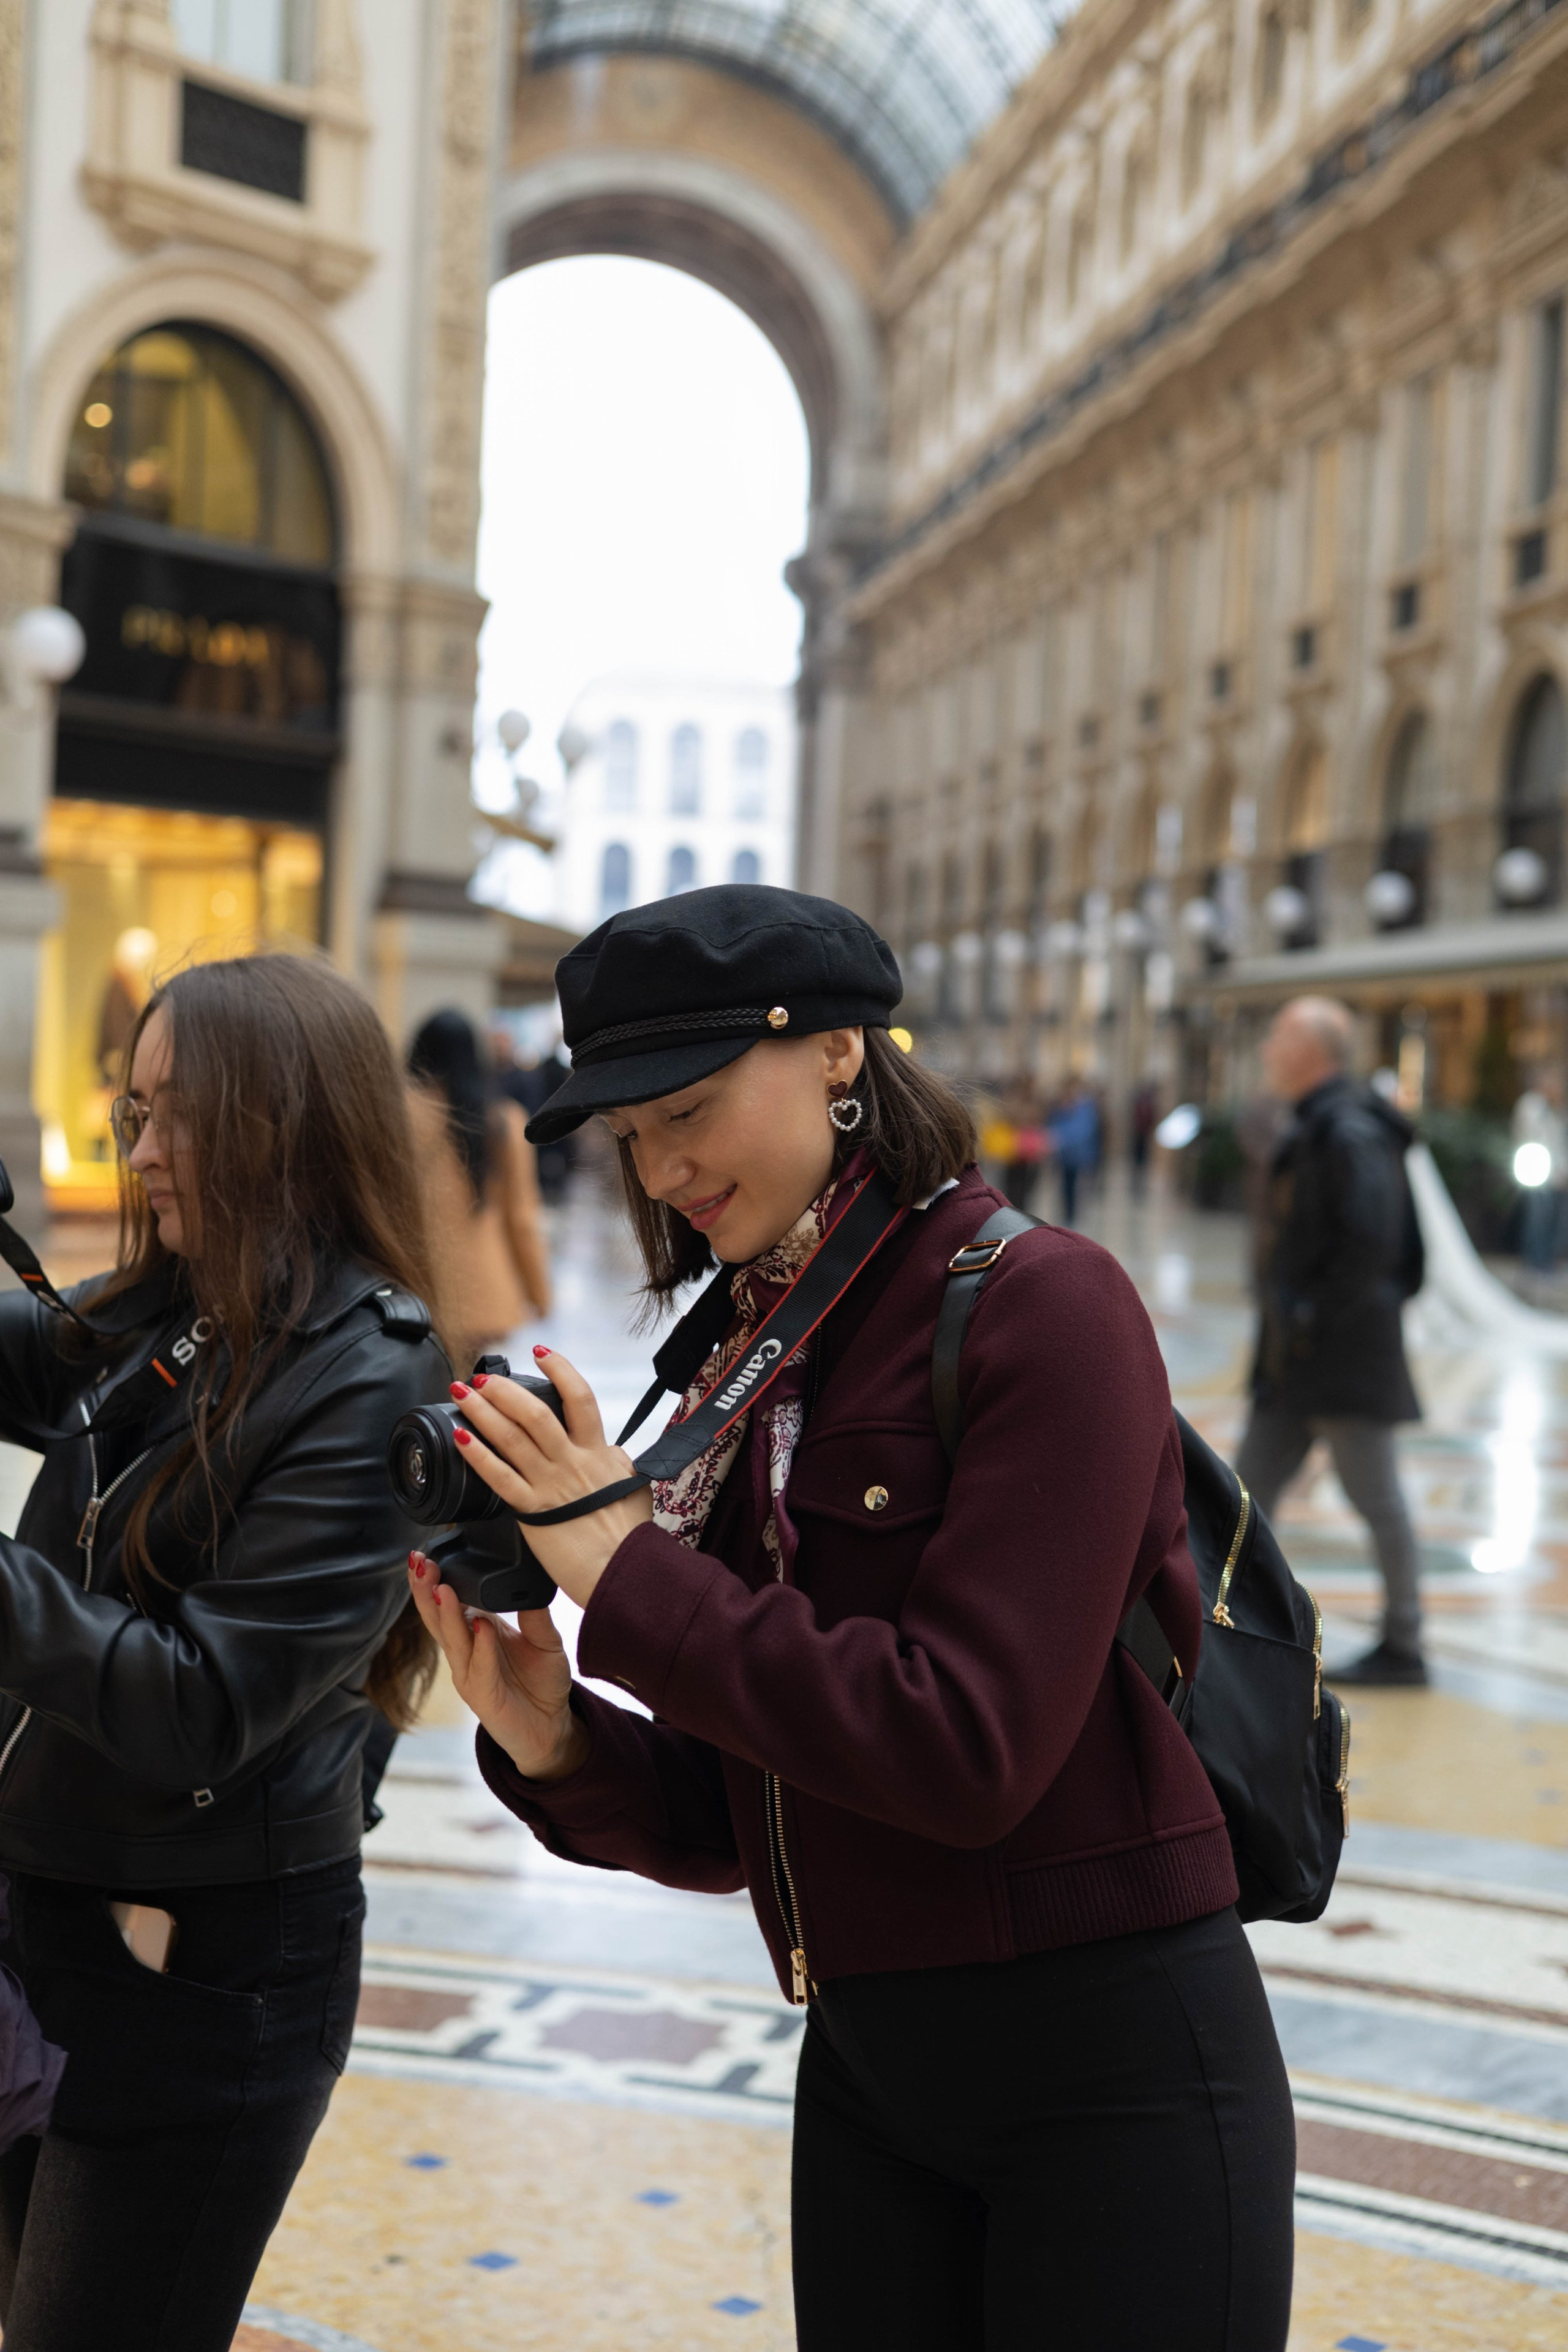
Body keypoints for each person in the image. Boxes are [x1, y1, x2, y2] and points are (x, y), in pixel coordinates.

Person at [401, 884, 1295, 2352]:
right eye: (629, 1134)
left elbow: (964, 1745)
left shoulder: (1042, 1306)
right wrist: (557, 1741)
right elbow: (752, 1803)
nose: (663, 1162)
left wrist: (626, 1569)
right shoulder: (757, 1349)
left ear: (835, 1049)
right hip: (870, 2082)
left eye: (686, 1105)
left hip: (1109, 2081)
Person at [0, 953, 449, 2350]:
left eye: (176, 1111)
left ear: (288, 1113)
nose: (143, 1149)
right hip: (60, 1910)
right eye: (131, 1111)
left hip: (205, 1961)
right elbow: (30, 1350)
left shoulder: (371, 1366)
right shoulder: (180, 1303)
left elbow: (203, 1704)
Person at [1237, 995, 1427, 1688]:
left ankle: (1404, 1644)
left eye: (1277, 1038)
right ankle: (1229, 1626)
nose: (1266, 1052)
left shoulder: (1345, 1129)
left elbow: (1371, 1242)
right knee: (1242, 1494)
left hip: (1339, 1356)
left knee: (1375, 1495)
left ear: (1310, 1052)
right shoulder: (1323, 1122)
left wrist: (1311, 1314)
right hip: (1302, 1356)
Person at [409, 1009, 552, 1363]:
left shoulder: (395, 1115)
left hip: (413, 1286)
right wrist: (539, 1293)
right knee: (465, 1399)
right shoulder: (502, 1120)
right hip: (484, 1289)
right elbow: (522, 1219)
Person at [1511, 1068, 1568, 1284]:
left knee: (1552, 1219)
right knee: (1537, 1219)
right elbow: (1532, 1138)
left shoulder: (1556, 1110)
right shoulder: (1531, 1106)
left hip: (1557, 1175)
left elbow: (1560, 1143)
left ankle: (1546, 1262)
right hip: (1538, 1172)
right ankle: (1534, 1263)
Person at [1047, 1075, 1101, 1226]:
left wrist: (1062, 1139)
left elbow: (1084, 1130)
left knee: (1075, 1185)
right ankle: (1066, 1213)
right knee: (1064, 1185)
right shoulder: (1059, 1106)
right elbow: (1053, 1124)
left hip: (1078, 1154)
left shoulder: (1085, 1106)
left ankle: (1072, 1216)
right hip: (1063, 1155)